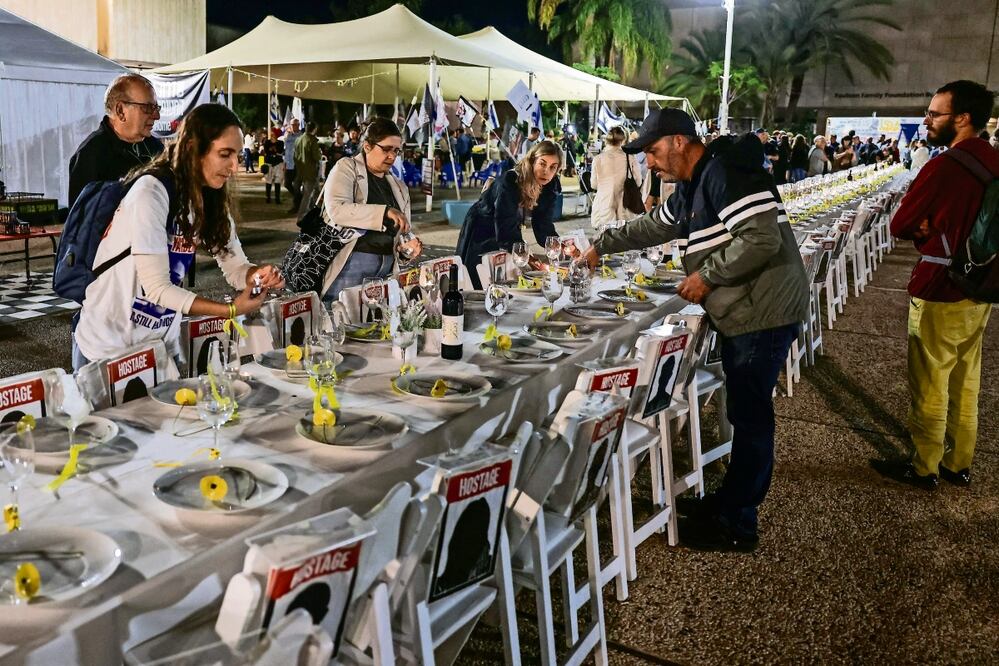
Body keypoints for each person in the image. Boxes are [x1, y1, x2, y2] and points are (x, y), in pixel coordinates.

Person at [579, 108, 809, 551]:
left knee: (751, 417)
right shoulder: (693, 184)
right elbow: (652, 226)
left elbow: (762, 238)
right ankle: (730, 504)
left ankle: (738, 524)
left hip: (763, 310)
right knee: (745, 413)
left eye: (652, 151)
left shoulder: (725, 173)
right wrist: (600, 246)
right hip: (748, 306)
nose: (648, 162)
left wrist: (708, 275)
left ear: (679, 141)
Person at [72, 104, 284, 370]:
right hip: (107, 347)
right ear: (193, 148)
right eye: (225, 154)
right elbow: (158, 289)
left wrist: (257, 275)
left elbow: (235, 267)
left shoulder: (209, 197)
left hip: (159, 347)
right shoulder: (152, 192)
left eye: (238, 155)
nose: (234, 166)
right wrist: (229, 310)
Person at [874, 80, 997, 490]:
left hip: (941, 284)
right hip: (980, 286)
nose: (926, 120)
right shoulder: (994, 161)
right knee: (966, 380)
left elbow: (900, 223)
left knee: (930, 382)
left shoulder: (944, 166)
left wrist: (926, 228)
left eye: (934, 113)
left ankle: (924, 465)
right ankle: (958, 463)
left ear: (961, 119)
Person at [317, 117, 422, 302]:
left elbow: (403, 233)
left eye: (396, 151)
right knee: (339, 321)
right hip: (349, 267)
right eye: (387, 149)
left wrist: (406, 251)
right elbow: (337, 210)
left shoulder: (399, 187)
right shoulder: (346, 167)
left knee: (374, 326)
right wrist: (384, 212)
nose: (392, 156)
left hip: (385, 273)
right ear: (367, 146)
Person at [456, 141, 562, 289]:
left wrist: (559, 246)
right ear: (532, 161)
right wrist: (526, 255)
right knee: (476, 277)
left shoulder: (549, 184)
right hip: (482, 226)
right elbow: (506, 227)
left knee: (503, 277)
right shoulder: (511, 180)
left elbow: (543, 223)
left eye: (553, 167)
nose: (547, 172)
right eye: (542, 164)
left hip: (507, 225)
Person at [68, 73, 164, 208]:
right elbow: (84, 221)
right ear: (120, 111)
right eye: (148, 108)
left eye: (156, 108)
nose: (157, 116)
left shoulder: (157, 149)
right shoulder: (90, 156)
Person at [589, 126, 641, 230]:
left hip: (603, 204)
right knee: (624, 240)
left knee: (605, 239)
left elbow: (593, 184)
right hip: (625, 205)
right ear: (624, 140)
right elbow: (638, 182)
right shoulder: (630, 158)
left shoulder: (598, 159)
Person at [294, 121, 323, 218]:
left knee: (316, 192)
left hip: (301, 170)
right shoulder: (312, 140)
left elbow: (295, 156)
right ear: (314, 129)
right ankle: (302, 216)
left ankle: (316, 212)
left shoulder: (298, 139)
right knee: (308, 194)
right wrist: (320, 154)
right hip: (311, 171)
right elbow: (316, 157)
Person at [283, 118, 302, 214]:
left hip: (298, 164)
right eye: (292, 124)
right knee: (287, 183)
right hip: (289, 164)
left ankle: (296, 206)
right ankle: (300, 198)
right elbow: (286, 150)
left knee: (296, 186)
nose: (294, 126)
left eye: (296, 124)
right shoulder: (288, 136)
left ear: (299, 125)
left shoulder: (302, 136)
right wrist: (284, 163)